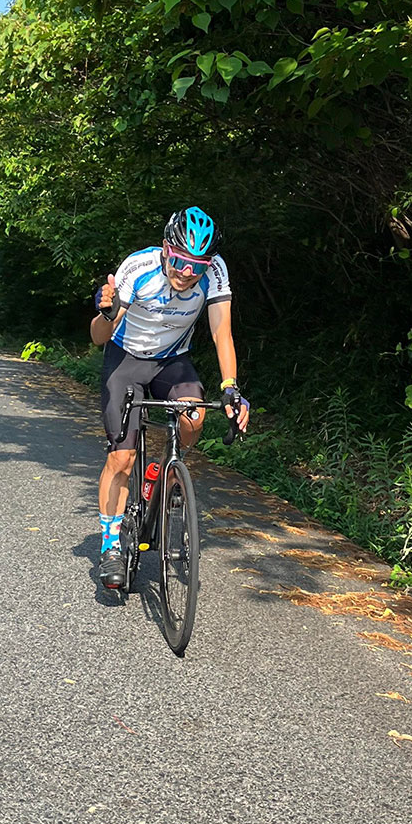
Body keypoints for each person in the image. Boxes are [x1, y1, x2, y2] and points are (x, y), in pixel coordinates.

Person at [90, 206, 250, 589]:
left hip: (171, 361)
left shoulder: (215, 272)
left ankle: (169, 470)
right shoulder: (138, 268)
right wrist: (106, 312)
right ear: (165, 249)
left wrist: (231, 386)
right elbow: (97, 338)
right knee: (122, 458)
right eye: (179, 261)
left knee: (195, 416)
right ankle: (111, 544)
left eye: (197, 266)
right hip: (125, 358)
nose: (186, 272)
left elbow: (221, 333)